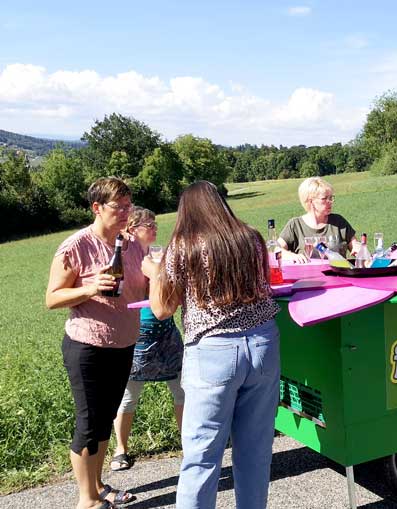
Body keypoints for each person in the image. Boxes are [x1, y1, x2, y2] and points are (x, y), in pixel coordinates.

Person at [142, 181, 281, 509]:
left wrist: (155, 272)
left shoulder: (183, 246)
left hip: (213, 351)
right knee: (255, 452)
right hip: (262, 343)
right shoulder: (249, 236)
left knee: (202, 457)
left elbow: (162, 309)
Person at [46, 177, 145, 508]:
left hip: (123, 343)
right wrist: (89, 288)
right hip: (87, 346)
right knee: (89, 424)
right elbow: (52, 298)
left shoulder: (131, 245)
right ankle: (86, 499)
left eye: (128, 206)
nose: (125, 212)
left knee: (104, 419)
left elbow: (142, 288)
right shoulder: (76, 246)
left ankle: (99, 484)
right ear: (97, 208)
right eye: (119, 207)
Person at [110, 207, 184, 472]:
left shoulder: (161, 255)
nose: (154, 228)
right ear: (132, 229)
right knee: (128, 396)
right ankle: (121, 449)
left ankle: (188, 444)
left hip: (166, 330)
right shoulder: (124, 258)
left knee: (181, 389)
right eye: (148, 225)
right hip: (137, 333)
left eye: (154, 223)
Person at [278, 176, 356, 263]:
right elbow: (276, 250)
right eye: (324, 198)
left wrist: (358, 247)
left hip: (338, 275)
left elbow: (355, 245)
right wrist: (290, 255)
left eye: (331, 198)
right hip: (306, 276)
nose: (330, 202)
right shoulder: (295, 225)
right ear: (310, 201)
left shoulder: (339, 222)